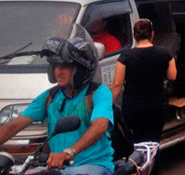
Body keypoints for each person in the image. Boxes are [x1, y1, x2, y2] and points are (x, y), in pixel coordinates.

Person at [0, 37, 114, 174]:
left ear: (80, 69)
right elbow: (13, 126)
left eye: (64, 67)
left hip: (93, 165)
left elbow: (100, 125)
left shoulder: (98, 93)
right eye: (55, 66)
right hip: (59, 168)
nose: (57, 72)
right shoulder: (51, 96)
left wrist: (69, 153)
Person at [111, 19, 176, 143]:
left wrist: (110, 104)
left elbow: (117, 84)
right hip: (156, 105)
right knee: (153, 142)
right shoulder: (165, 53)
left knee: (136, 142)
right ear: (152, 34)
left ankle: (137, 162)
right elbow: (172, 76)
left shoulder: (125, 57)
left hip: (133, 106)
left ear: (134, 36)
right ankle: (153, 161)